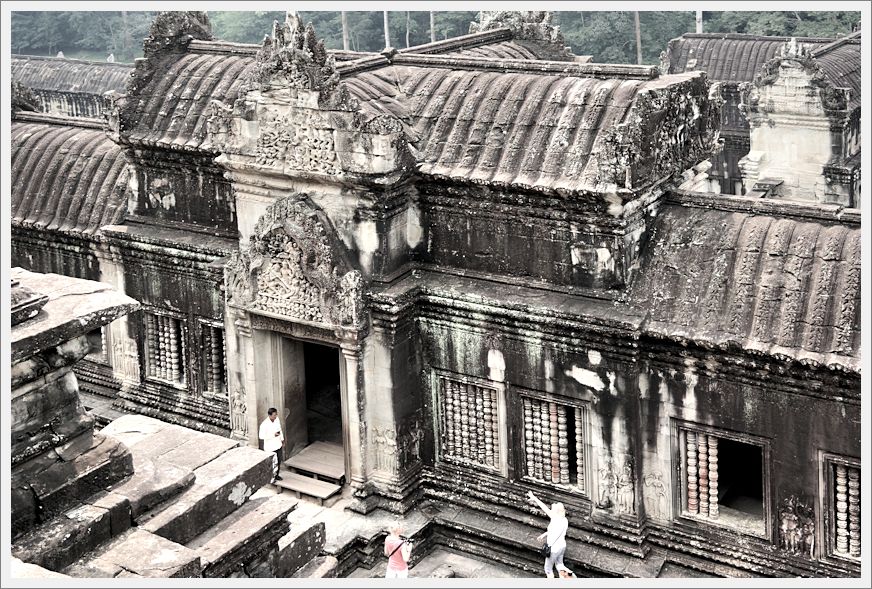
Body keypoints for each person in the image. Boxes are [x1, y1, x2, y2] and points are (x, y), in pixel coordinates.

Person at [528, 490, 572, 578]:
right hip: (562, 546)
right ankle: (567, 577)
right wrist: (544, 535)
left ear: (556, 512)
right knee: (560, 565)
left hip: (554, 549)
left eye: (553, 509)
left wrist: (534, 498)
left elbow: (544, 508)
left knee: (548, 569)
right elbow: (556, 531)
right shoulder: (564, 520)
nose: (551, 510)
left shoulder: (554, 518)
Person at [258, 407, 284, 482]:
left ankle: (276, 475)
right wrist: (273, 435)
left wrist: (282, 439)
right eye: (274, 415)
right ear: (269, 415)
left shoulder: (277, 420)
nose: (276, 416)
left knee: (278, 461)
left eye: (276, 414)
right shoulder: (264, 424)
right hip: (270, 447)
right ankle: (270, 478)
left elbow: (280, 430)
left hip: (278, 444)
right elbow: (261, 436)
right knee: (272, 463)